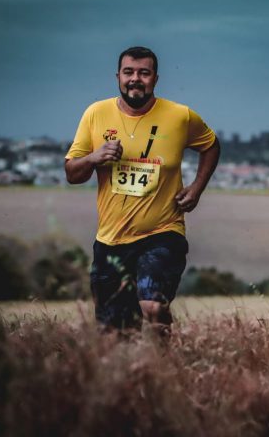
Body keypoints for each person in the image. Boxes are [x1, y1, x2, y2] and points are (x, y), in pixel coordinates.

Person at [65, 46, 220, 333]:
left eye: (143, 73)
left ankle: (164, 372)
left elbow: (210, 145)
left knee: (153, 306)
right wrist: (93, 158)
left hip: (162, 232)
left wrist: (197, 188)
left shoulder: (181, 116)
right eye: (129, 72)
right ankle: (140, 375)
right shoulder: (95, 114)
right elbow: (72, 174)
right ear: (118, 77)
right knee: (114, 333)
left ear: (155, 79)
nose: (135, 79)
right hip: (110, 240)